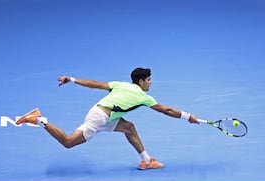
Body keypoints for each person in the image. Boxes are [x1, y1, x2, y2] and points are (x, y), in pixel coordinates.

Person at [16, 67, 199, 169]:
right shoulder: (143, 97)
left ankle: (147, 160)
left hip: (100, 112)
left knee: (129, 127)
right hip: (100, 119)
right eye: (149, 79)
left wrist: (71, 79)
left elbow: (95, 84)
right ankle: (39, 119)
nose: (151, 82)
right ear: (141, 81)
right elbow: (165, 110)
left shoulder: (120, 85)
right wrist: (188, 116)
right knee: (68, 142)